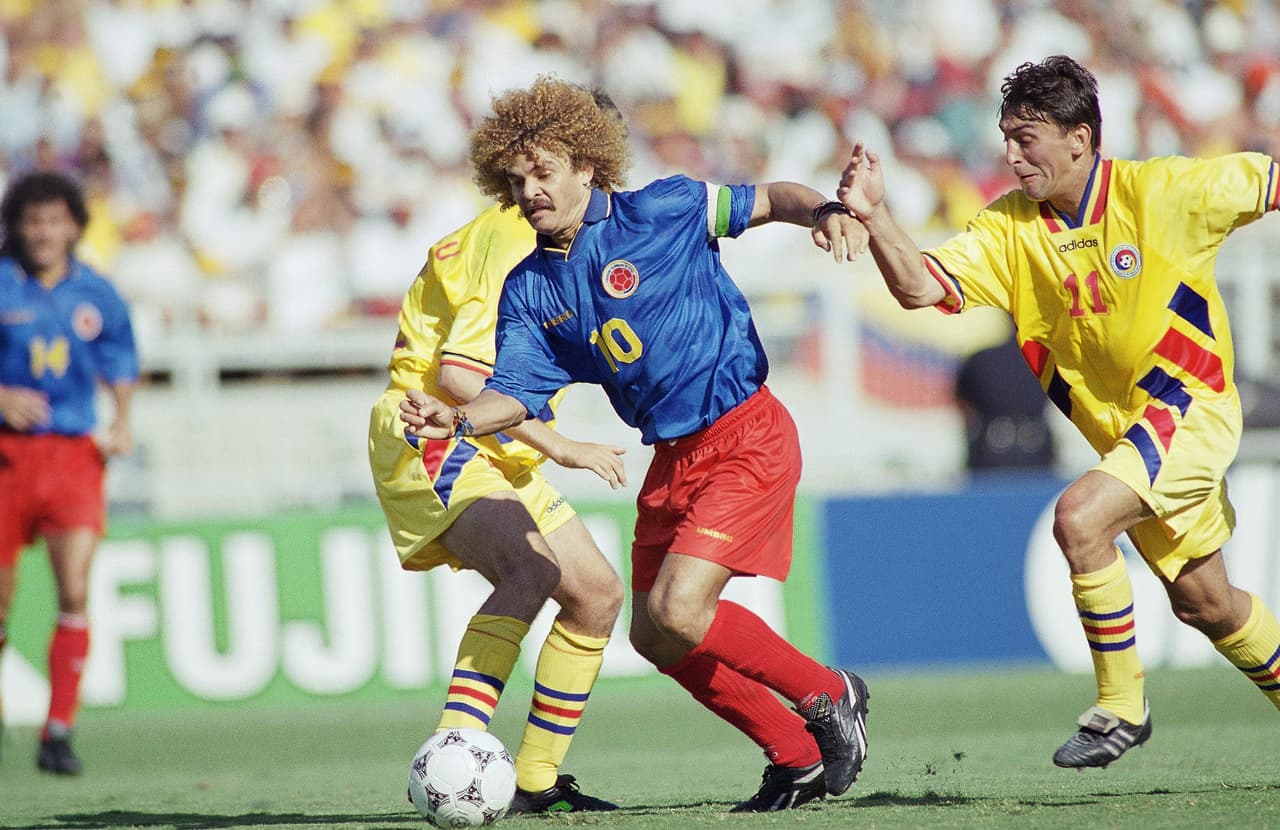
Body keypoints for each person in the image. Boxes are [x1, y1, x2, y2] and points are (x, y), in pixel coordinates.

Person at [400, 76, 871, 812]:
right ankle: (794, 756)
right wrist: (455, 420)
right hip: (673, 457)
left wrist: (831, 210)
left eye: (545, 172)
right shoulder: (528, 289)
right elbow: (514, 393)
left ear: (587, 166)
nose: (530, 192)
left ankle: (828, 692)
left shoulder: (668, 209)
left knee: (682, 610)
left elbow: (774, 199)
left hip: (745, 431)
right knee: (655, 636)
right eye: (517, 179)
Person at [836, 54, 1280, 768]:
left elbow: (1269, 179)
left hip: (1189, 408)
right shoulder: (1011, 228)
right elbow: (921, 288)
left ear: (1080, 138)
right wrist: (876, 214)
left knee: (1080, 518)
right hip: (1127, 438)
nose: (1011, 155)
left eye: (1027, 138)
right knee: (1208, 604)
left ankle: (1120, 708)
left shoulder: (1163, 189)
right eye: (1007, 137)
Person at [367, 194, 628, 813]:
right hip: (432, 425)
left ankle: (535, 783)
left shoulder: (555, 235)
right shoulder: (512, 238)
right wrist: (561, 447)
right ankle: (454, 753)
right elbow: (459, 378)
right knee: (532, 569)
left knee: (596, 593)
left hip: (492, 437)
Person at [0, 170, 139, 774]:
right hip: (7, 457)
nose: (43, 232)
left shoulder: (98, 293)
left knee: (76, 590)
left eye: (54, 220)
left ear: (74, 226)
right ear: (17, 227)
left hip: (75, 458)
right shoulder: (3, 284)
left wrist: (123, 420)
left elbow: (121, 360)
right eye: (32, 221)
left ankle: (58, 730)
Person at [954, 332, 1056, 472]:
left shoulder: (981, 359)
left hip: (989, 454)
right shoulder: (1046, 358)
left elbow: (964, 406)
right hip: (1037, 450)